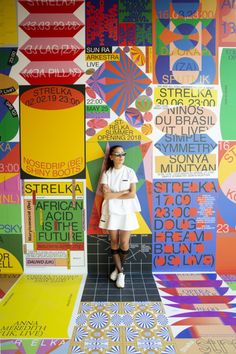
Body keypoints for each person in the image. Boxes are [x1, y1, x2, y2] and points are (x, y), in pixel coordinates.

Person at [99, 145, 141, 288]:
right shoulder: (107, 174)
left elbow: (132, 194)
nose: (121, 156)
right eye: (117, 154)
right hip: (112, 211)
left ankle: (117, 270)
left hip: (127, 211)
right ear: (111, 157)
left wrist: (114, 194)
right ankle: (121, 273)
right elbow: (106, 195)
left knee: (124, 243)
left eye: (123, 154)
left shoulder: (129, 172)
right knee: (114, 242)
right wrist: (123, 192)